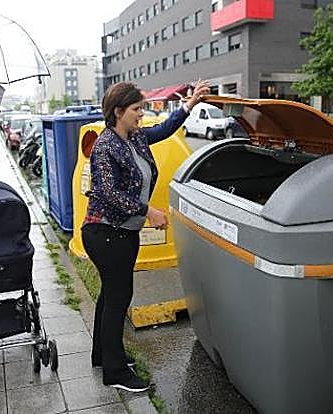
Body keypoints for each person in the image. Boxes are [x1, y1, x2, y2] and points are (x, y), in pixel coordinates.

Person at [82, 80, 210, 392]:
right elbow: (108, 192)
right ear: (118, 112)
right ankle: (115, 372)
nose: (142, 114)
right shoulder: (105, 146)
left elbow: (164, 129)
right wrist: (148, 211)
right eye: (137, 109)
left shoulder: (135, 137)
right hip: (105, 232)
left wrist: (189, 105)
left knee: (110, 296)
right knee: (118, 298)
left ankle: (103, 355)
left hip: (121, 232)